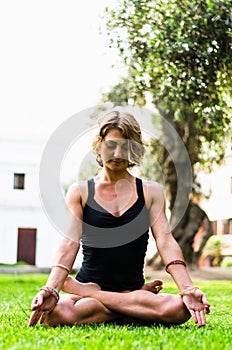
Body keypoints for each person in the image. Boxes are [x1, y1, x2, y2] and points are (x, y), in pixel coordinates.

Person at [29, 109, 210, 327]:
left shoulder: (151, 192)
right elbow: (69, 242)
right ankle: (132, 305)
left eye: (126, 146)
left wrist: (188, 289)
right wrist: (51, 289)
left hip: (103, 292)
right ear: (99, 145)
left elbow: (165, 240)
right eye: (111, 145)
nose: (118, 153)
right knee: (54, 313)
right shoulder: (81, 192)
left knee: (180, 308)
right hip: (103, 289)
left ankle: (102, 297)